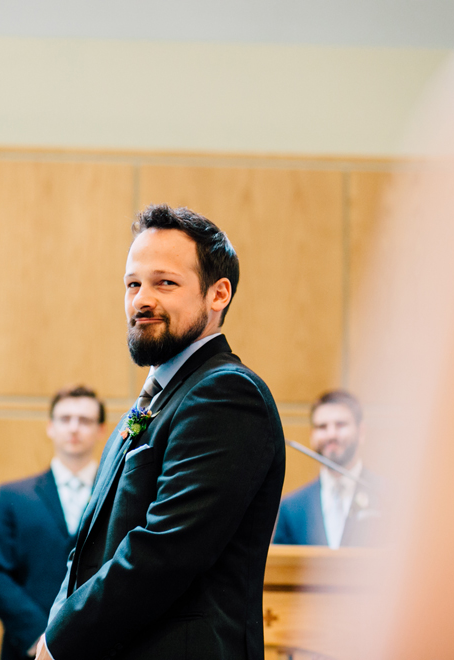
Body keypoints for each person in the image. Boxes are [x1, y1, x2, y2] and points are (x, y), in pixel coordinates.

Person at [36, 204, 286, 660]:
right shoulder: (155, 400)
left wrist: (61, 639)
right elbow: (91, 546)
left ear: (218, 294)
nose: (141, 300)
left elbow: (165, 550)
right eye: (133, 284)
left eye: (164, 283)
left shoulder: (226, 395)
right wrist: (56, 624)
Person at [0, 385, 107, 660]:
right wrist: (41, 637)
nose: (74, 428)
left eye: (85, 420)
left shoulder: (118, 494)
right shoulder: (14, 496)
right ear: (50, 427)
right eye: (65, 419)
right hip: (28, 646)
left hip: (98, 645)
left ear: (101, 429)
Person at [272, 390, 380, 548]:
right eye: (322, 427)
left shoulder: (388, 497)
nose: (331, 435)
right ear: (312, 436)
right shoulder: (291, 509)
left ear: (361, 432)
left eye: (340, 425)